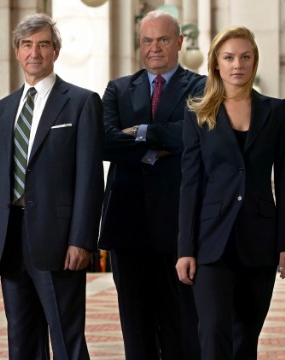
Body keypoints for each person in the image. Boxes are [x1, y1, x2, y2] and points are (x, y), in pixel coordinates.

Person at [0, 13, 104, 359]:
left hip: (59, 239)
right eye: (27, 45)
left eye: (43, 45)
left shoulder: (81, 103)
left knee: (67, 339)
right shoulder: (0, 111)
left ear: (55, 52)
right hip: (10, 239)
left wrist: (81, 239)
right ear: (18, 52)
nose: (35, 52)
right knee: (21, 341)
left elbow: (90, 179)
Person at [176, 26, 285, 359]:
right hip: (210, 241)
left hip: (259, 238)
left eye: (245, 57)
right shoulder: (199, 112)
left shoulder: (274, 111)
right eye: (229, 57)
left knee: (247, 338)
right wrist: (184, 248)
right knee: (214, 333)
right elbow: (190, 183)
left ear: (255, 61)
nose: (237, 65)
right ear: (216, 63)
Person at [98, 10, 205, 359]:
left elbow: (191, 135)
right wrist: (158, 147)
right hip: (127, 224)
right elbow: (106, 142)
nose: (154, 47)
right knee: (136, 326)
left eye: (162, 39)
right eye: (147, 40)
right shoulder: (117, 89)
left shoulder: (201, 87)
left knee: (180, 326)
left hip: (178, 225)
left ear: (179, 42)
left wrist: (140, 132)